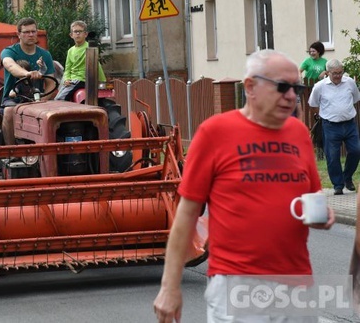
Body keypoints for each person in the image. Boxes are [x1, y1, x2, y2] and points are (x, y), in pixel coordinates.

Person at [153, 49, 334, 322]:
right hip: (238, 284)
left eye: (296, 88)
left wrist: (322, 213)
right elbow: (186, 215)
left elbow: (312, 193)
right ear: (250, 86)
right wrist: (169, 286)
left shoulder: (298, 134)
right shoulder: (215, 133)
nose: (291, 96)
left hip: (297, 284)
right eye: (282, 87)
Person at [0, 17, 56, 145]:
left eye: (33, 31)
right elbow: (10, 66)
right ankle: (12, 152)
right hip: (14, 98)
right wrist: (27, 74)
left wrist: (43, 99)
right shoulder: (9, 52)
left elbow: (51, 82)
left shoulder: (45, 55)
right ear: (18, 34)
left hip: (38, 98)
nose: (30, 35)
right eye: (26, 32)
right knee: (9, 111)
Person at [308, 59, 360, 195]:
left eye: (340, 72)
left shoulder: (350, 82)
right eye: (335, 73)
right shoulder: (320, 86)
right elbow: (313, 104)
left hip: (349, 124)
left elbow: (355, 99)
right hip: (330, 126)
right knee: (332, 156)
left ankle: (347, 177)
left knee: (356, 150)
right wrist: (322, 116)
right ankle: (338, 184)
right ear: (328, 72)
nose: (338, 75)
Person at [55, 20, 106, 101]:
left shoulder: (90, 48)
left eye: (80, 31)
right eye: (75, 31)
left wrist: (102, 81)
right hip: (72, 81)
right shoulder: (71, 51)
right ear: (71, 35)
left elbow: (96, 65)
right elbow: (68, 68)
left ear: (85, 34)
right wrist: (67, 79)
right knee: (57, 97)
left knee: (60, 99)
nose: (78, 34)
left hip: (82, 79)